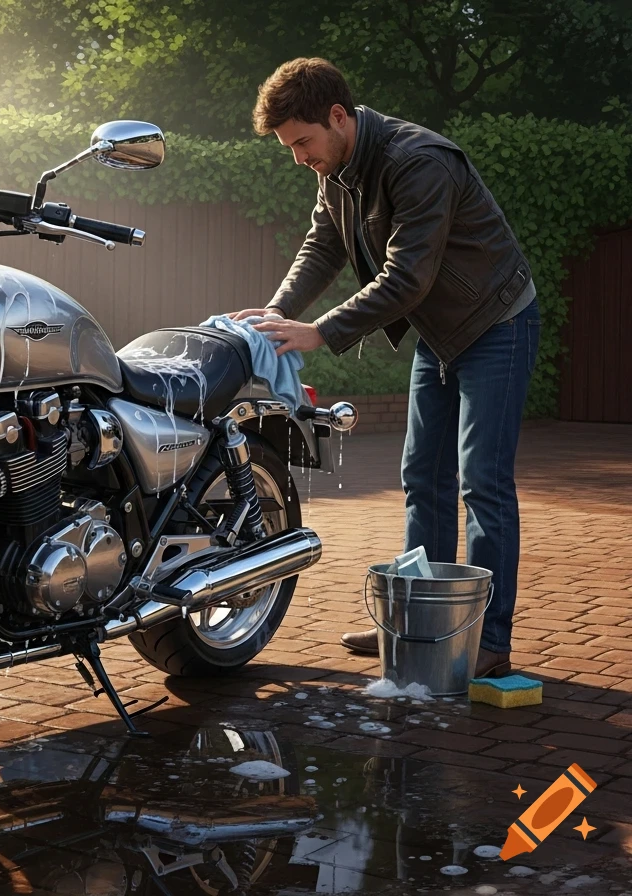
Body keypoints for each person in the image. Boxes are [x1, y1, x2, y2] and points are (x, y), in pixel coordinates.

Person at [229, 58, 539, 679]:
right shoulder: (339, 169)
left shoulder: (418, 161)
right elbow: (323, 245)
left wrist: (320, 331)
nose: (299, 158)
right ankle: (416, 622)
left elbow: (408, 278)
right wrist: (279, 310)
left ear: (338, 117)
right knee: (422, 475)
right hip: (442, 334)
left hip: (497, 323)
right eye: (290, 148)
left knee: (482, 483)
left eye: (303, 142)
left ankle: (487, 639)